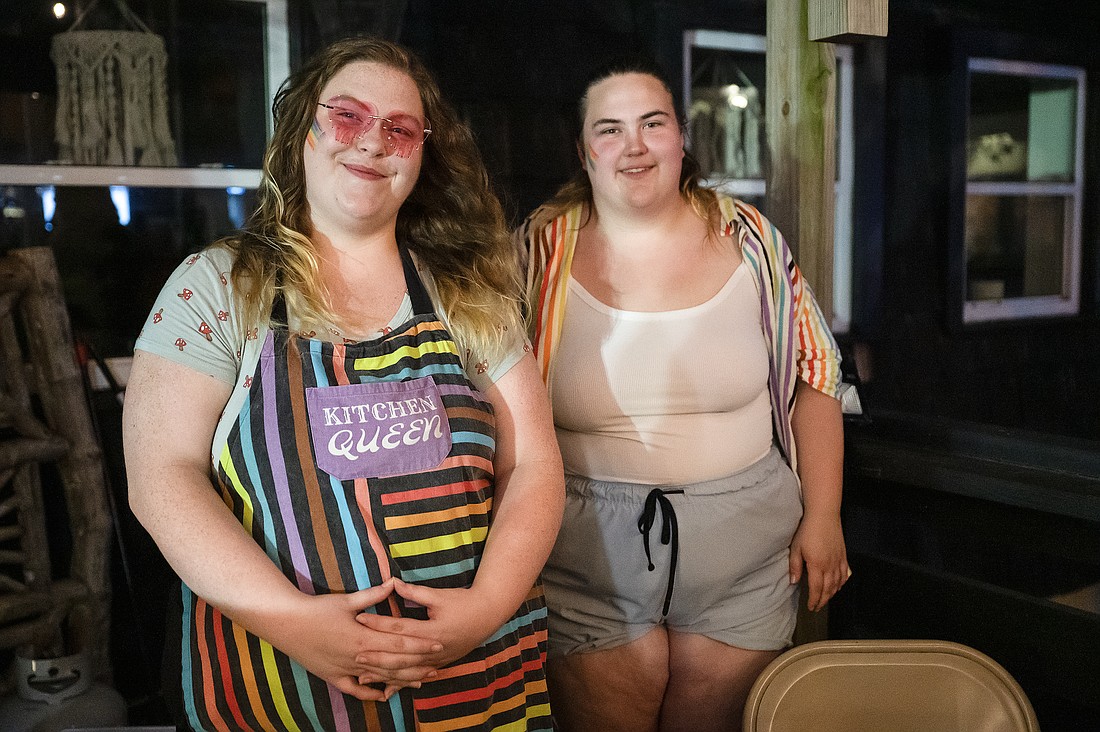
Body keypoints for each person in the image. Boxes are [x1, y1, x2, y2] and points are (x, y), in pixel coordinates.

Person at [123, 36, 563, 731]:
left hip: (472, 682)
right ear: (304, 130)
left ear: (422, 156)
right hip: (281, 685)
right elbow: (161, 478)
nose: (373, 142)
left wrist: (480, 612)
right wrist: (295, 623)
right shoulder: (219, 287)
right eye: (347, 115)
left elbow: (533, 464)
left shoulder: (467, 297)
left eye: (400, 129)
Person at [516, 57, 849, 731]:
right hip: (587, 558)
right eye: (610, 129)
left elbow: (815, 377)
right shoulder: (536, 253)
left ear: (680, 138)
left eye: (653, 123)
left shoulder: (751, 240)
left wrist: (824, 516)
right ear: (583, 152)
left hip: (746, 557)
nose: (634, 145)